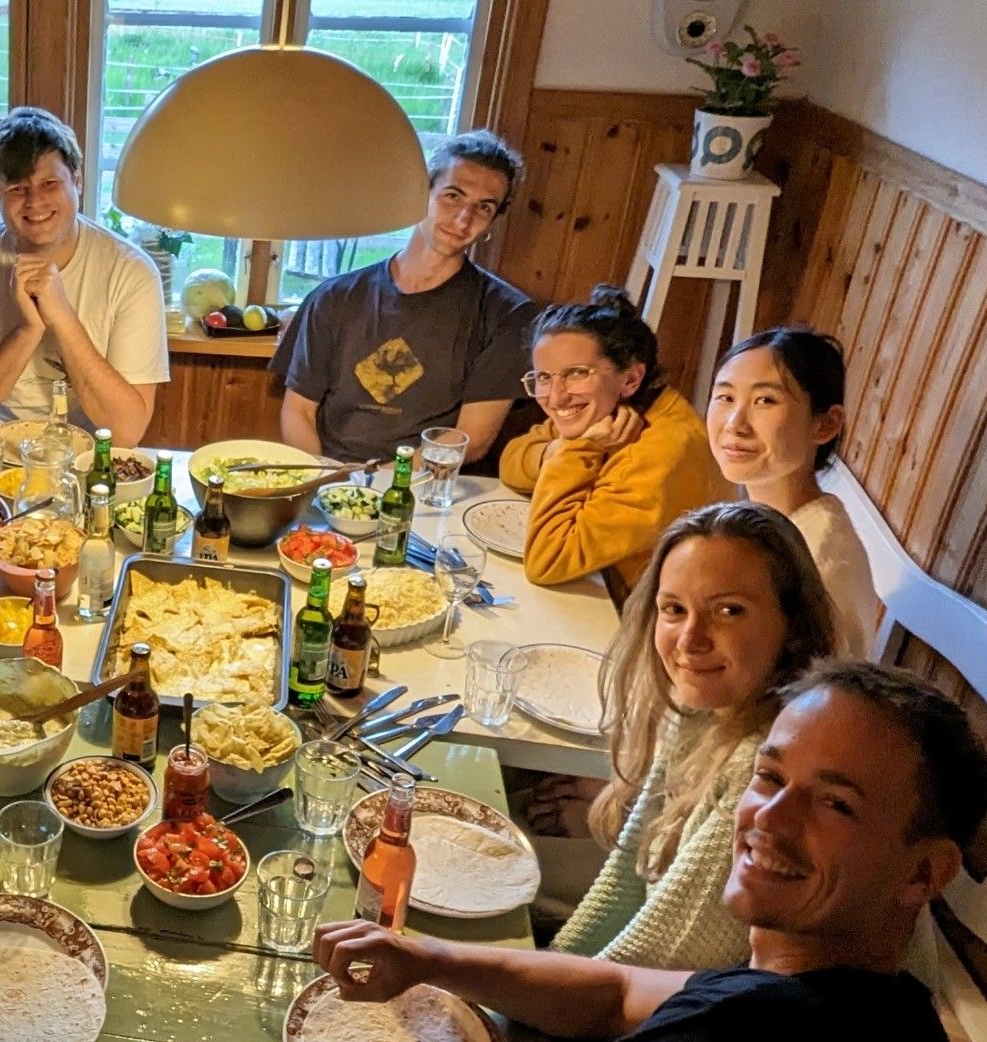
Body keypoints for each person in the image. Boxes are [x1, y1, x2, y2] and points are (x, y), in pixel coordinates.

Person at [182, 660, 987, 1042]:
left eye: (836, 804)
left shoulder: (754, 1041)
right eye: (770, 778)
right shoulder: (890, 1017)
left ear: (924, 873)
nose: (769, 821)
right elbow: (614, 994)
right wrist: (425, 958)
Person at [547, 501, 839, 970]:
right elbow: (621, 890)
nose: (690, 639)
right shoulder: (705, 711)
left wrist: (521, 996)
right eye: (674, 609)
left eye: (728, 611)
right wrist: (552, 963)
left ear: (793, 628)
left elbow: (656, 965)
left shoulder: (763, 766)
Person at [273, 129, 541, 465]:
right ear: (421, 194)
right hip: (328, 477)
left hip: (425, 488)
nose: (463, 219)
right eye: (453, 196)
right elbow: (298, 410)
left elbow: (473, 437)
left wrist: (385, 481)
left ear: (493, 221)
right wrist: (322, 480)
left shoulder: (508, 313)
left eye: (483, 207)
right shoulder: (334, 297)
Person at [0, 105, 168, 446]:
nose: (34, 201)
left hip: (89, 461)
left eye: (49, 183)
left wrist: (62, 317)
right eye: (17, 189)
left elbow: (126, 432)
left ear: (77, 180)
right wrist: (28, 328)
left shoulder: (132, 271)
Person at [498, 285, 732, 595]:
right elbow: (512, 462)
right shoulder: (605, 410)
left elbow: (548, 560)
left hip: (641, 614)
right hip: (600, 585)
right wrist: (560, 448)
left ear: (631, 379)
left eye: (577, 373)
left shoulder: (661, 450)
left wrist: (581, 449)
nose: (556, 397)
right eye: (543, 377)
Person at [707, 326, 881, 656]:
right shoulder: (768, 521)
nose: (734, 423)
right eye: (725, 397)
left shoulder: (818, 564)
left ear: (826, 424)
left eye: (765, 401)